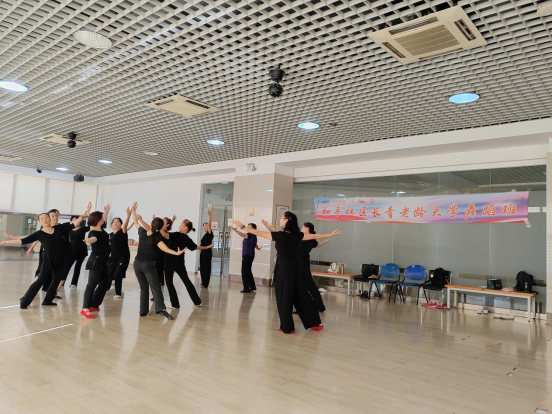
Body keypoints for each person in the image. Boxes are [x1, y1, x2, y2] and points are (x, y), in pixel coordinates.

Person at [234, 212, 341, 334]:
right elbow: (313, 236)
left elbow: (258, 233)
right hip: (296, 268)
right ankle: (315, 323)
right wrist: (329, 235)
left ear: (287, 221)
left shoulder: (280, 235)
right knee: (301, 294)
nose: (280, 219)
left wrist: (242, 226)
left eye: (281, 218)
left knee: (284, 296)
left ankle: (287, 327)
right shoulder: (297, 235)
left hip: (284, 269)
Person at [0, 203, 90, 308]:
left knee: (56, 280)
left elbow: (74, 224)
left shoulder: (59, 229)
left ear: (49, 219)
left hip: (60, 260)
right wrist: (6, 242)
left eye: (46, 218)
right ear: (39, 222)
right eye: (42, 219)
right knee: (40, 280)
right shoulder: (39, 233)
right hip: (48, 260)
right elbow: (23, 240)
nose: (45, 220)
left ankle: (48, 300)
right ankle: (24, 302)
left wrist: (83, 216)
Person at [131, 202, 184, 320]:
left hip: (137, 264)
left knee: (143, 287)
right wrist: (177, 253)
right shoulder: (157, 238)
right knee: (155, 287)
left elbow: (135, 222)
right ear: (160, 228)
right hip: (148, 266)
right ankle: (160, 309)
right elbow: (165, 249)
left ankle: (143, 311)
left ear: (150, 224)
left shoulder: (142, 232)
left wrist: (133, 211)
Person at [164, 219, 213, 309]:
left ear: (185, 228)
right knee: (186, 281)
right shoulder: (187, 239)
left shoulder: (177, 235)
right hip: (179, 262)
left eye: (181, 225)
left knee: (169, 282)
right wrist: (207, 247)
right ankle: (197, 302)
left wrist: (159, 226)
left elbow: (164, 234)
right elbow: (196, 247)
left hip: (169, 261)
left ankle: (175, 304)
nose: (179, 226)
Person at [81, 205, 111, 319]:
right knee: (91, 284)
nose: (104, 218)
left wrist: (105, 211)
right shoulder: (93, 232)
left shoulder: (101, 228)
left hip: (103, 260)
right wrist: (89, 241)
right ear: (98, 220)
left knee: (105, 284)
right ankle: (85, 308)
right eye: (102, 217)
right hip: (96, 260)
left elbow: (104, 219)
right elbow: (93, 239)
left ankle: (94, 304)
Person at [298, 222, 331, 312]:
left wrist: (327, 238)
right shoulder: (311, 239)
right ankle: (320, 306)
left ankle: (304, 307)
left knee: (303, 286)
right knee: (309, 286)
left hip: (300, 264)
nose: (301, 228)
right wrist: (325, 241)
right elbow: (317, 245)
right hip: (304, 263)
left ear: (307, 229)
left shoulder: (302, 237)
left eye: (303, 227)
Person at [107, 208, 133, 299]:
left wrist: (128, 215)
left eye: (118, 222)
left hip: (123, 257)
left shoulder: (122, 232)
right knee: (109, 273)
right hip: (113, 257)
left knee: (118, 275)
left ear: (121, 224)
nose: (115, 223)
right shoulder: (110, 235)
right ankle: (106, 287)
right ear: (111, 224)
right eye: (114, 222)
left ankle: (118, 293)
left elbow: (125, 226)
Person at [232, 223, 261, 293]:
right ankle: (252, 286)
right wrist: (257, 248)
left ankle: (246, 288)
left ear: (253, 229)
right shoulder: (254, 236)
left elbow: (242, 234)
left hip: (247, 255)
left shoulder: (249, 235)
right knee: (248, 271)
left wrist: (236, 230)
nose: (247, 228)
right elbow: (255, 244)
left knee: (244, 271)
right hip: (250, 255)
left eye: (249, 227)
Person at [68, 215, 90, 287]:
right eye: (73, 220)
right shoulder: (69, 230)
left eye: (77, 220)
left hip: (81, 250)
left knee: (77, 267)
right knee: (67, 266)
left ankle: (74, 283)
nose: (75, 221)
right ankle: (62, 282)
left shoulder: (83, 229)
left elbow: (92, 226)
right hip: (71, 251)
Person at [199, 210, 214, 288]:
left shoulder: (209, 234)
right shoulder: (205, 235)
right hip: (203, 253)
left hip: (207, 253)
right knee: (202, 267)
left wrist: (209, 216)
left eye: (206, 226)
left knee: (206, 268)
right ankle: (203, 282)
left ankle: (205, 283)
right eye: (204, 226)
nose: (205, 227)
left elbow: (209, 225)